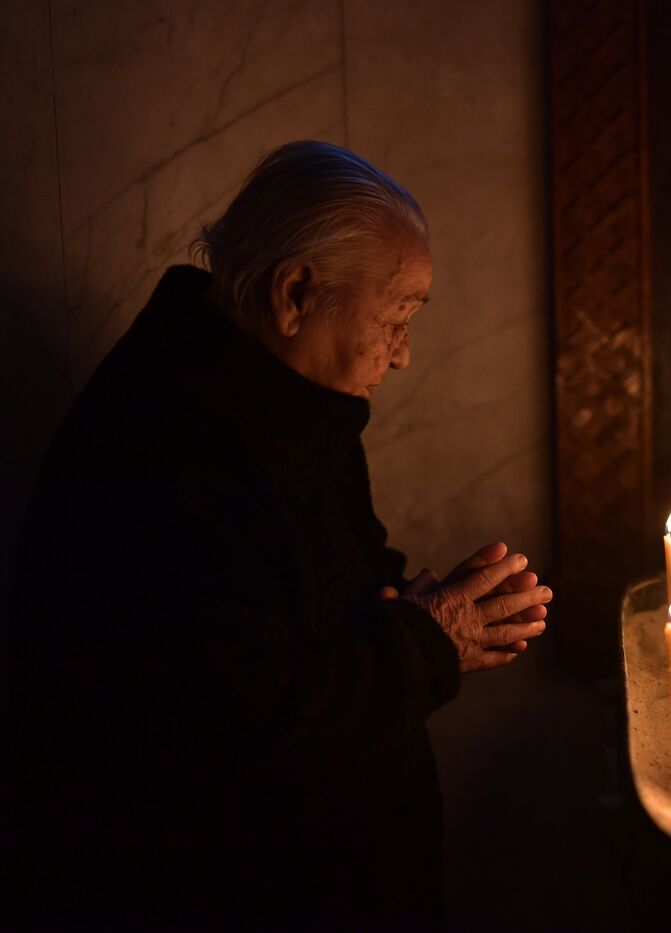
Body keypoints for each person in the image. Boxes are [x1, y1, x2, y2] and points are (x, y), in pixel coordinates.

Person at [4, 140, 552, 929]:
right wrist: (428, 642)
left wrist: (418, 608)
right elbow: (242, 718)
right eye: (395, 318)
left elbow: (335, 593)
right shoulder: (169, 447)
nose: (402, 356)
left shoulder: (286, 402)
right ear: (295, 293)